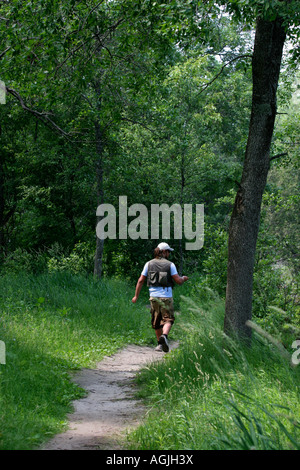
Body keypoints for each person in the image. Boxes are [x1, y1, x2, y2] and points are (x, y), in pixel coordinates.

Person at [132, 242, 188, 352]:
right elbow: (178, 280)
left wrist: (136, 296)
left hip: (153, 297)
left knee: (156, 321)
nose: (169, 254)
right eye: (168, 252)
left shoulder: (148, 264)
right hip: (166, 296)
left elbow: (141, 280)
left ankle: (159, 344)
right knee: (168, 319)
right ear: (164, 252)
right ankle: (165, 336)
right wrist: (183, 279)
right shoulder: (170, 265)